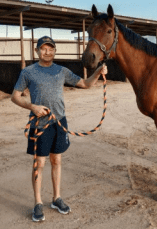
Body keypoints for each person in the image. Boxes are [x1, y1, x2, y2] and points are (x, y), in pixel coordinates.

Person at [11, 36, 107, 222]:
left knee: (56, 161)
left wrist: (98, 72)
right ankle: (38, 203)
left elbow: (85, 84)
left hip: (60, 123)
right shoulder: (28, 72)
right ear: (37, 51)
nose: (47, 52)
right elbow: (15, 97)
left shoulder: (61, 71)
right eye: (43, 48)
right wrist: (33, 107)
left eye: (51, 48)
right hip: (40, 124)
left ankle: (56, 198)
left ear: (55, 51)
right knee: (39, 163)